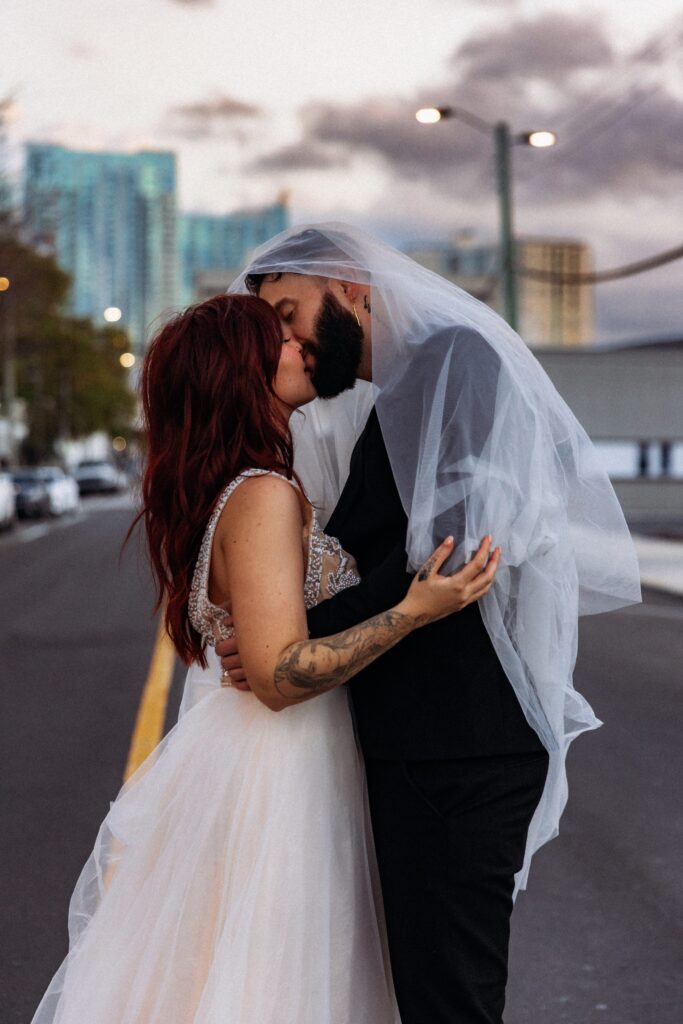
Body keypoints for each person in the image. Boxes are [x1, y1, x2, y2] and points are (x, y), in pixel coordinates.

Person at [31, 293, 501, 1024]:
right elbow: (280, 676)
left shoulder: (253, 487)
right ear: (239, 371)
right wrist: (414, 611)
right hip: (279, 761)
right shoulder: (262, 495)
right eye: (275, 337)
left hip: (272, 751)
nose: (296, 343)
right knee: (281, 977)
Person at [219, 224, 642, 1024]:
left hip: (456, 752)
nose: (287, 340)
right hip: (419, 746)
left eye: (288, 313)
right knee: (420, 995)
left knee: (447, 1002)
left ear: (347, 284)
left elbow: (446, 558)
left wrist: (298, 638)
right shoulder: (397, 394)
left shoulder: (454, 361)